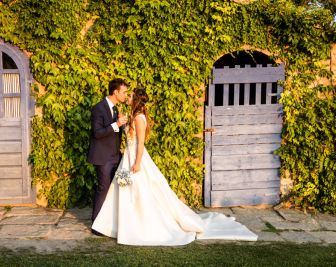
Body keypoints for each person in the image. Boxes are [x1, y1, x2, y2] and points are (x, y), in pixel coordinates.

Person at [91, 87, 258, 246]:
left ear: (136, 100)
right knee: (125, 190)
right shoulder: (132, 116)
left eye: (130, 95)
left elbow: (140, 143)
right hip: (127, 157)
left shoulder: (139, 118)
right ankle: (124, 223)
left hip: (135, 158)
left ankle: (141, 224)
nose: (127, 97)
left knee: (139, 192)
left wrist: (137, 162)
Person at [87, 78, 128, 226]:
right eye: (124, 92)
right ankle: (96, 224)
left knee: (114, 189)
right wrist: (116, 124)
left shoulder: (116, 108)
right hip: (103, 157)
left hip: (115, 155)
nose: (126, 95)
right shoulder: (98, 108)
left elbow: (114, 132)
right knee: (103, 188)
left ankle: (109, 221)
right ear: (115, 92)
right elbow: (97, 133)